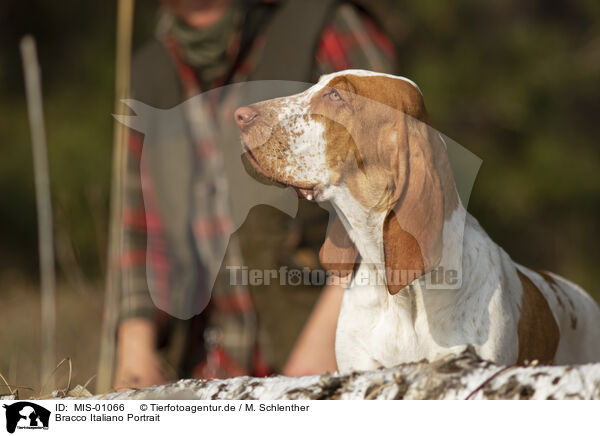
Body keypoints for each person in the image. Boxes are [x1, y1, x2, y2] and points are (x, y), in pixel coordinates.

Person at [114, 0, 397, 389]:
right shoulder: (150, 73)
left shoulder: (323, 29)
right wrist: (135, 344)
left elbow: (393, 181)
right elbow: (137, 228)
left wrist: (333, 334)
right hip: (210, 370)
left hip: (337, 353)